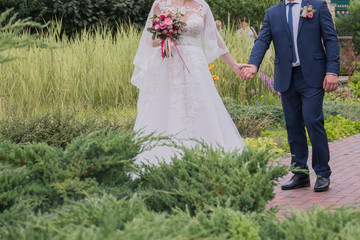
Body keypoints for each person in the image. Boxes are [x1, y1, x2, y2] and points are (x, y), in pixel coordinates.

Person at [239, 0, 340, 192]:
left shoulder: (317, 6)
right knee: (293, 125)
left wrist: (332, 71)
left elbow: (330, 39)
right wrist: (253, 64)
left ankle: (322, 173)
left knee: (312, 121)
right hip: (286, 77)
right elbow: (262, 40)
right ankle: (300, 173)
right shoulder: (272, 13)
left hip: (313, 75)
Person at [131, 0, 247, 165]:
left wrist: (234, 65)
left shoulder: (202, 6)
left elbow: (215, 37)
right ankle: (165, 157)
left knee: (199, 107)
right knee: (169, 108)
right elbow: (150, 39)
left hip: (195, 69)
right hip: (168, 66)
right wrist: (166, 38)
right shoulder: (161, 4)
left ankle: (205, 156)